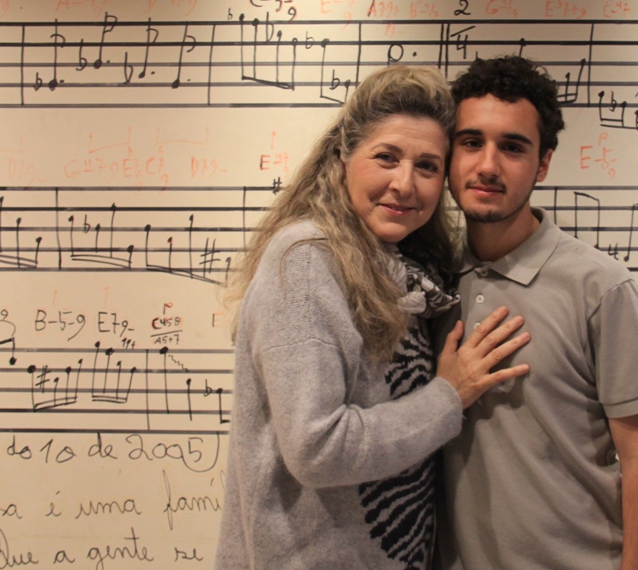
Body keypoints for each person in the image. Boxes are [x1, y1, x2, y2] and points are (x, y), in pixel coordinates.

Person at [214, 64, 531, 570]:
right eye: (386, 157)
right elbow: (317, 449)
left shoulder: (404, 264)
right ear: (343, 157)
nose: (404, 184)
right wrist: (449, 396)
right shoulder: (308, 259)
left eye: (427, 166)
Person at [437, 56, 638, 570]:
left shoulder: (599, 286)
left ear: (542, 164)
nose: (488, 165)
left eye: (512, 147)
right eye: (471, 142)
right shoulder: (427, 280)